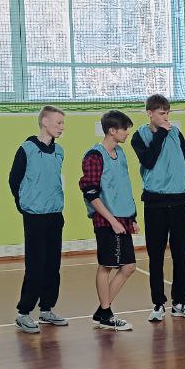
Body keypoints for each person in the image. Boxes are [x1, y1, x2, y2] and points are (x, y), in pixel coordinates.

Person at [131, 94, 185, 322]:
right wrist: (161, 133)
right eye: (161, 113)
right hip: (155, 204)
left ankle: (180, 302)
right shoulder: (138, 137)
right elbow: (149, 160)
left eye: (168, 113)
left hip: (179, 203)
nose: (166, 117)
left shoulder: (176, 134)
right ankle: (158, 304)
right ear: (149, 113)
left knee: (181, 255)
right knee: (156, 256)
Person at [9, 106, 70, 334]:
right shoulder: (26, 149)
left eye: (63, 123)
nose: (62, 127)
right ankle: (23, 312)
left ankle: (46, 309)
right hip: (34, 216)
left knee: (53, 265)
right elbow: (14, 180)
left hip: (55, 215)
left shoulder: (59, 151)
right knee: (35, 265)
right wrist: (25, 205)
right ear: (45, 122)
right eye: (58, 122)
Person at [80, 110, 138, 331]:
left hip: (123, 218)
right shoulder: (94, 156)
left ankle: (102, 311)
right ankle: (106, 313)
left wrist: (132, 217)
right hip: (107, 220)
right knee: (107, 266)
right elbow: (90, 193)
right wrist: (112, 220)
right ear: (112, 131)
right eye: (125, 129)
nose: (127, 132)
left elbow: (124, 186)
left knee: (129, 266)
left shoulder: (120, 153)